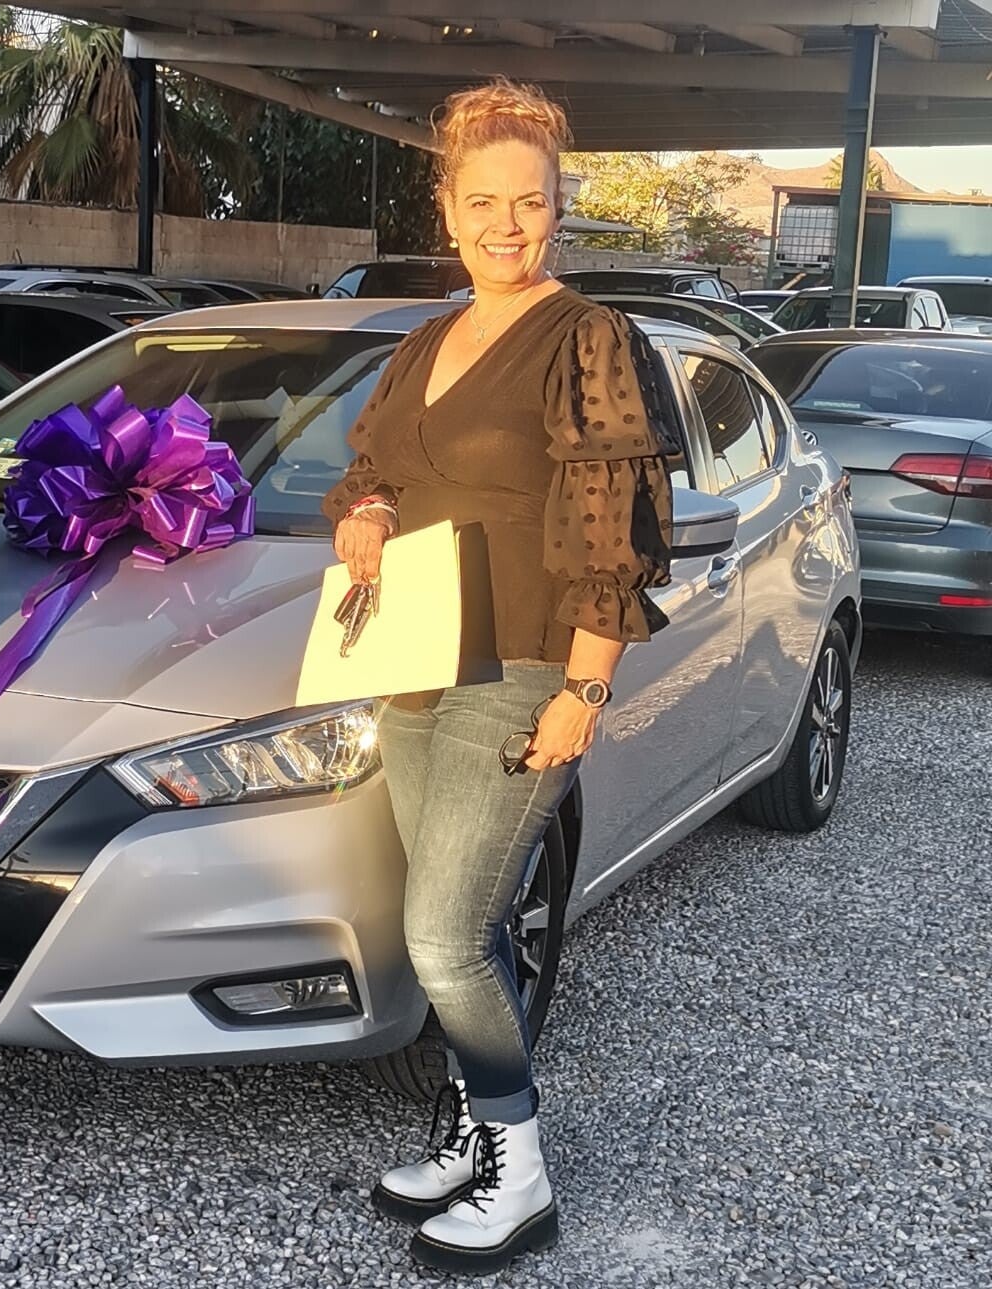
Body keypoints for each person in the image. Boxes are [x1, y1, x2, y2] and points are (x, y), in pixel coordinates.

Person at [323, 79, 678, 1276]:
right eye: (483, 202)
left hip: (522, 663)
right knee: (460, 925)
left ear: (557, 209)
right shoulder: (426, 340)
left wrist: (585, 688)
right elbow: (373, 465)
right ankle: (474, 1132)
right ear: (448, 207)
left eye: (527, 202)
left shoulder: (584, 337)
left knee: (442, 933)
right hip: (418, 663)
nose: (505, 224)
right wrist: (370, 508)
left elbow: (612, 528)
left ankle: (518, 1171)